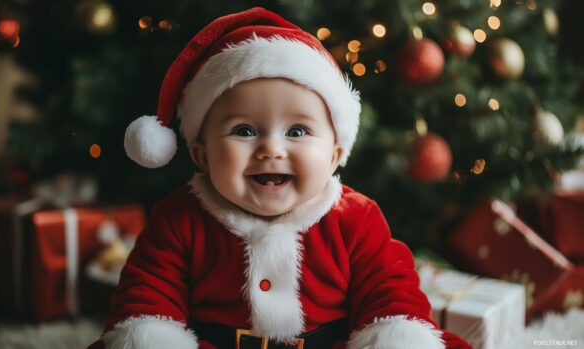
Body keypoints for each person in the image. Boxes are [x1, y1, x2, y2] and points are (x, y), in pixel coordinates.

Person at [89, 7, 472, 349]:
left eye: (298, 132)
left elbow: (390, 292)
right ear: (201, 154)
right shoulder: (178, 219)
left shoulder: (355, 218)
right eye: (243, 130)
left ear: (336, 153)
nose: (271, 149)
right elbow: (147, 294)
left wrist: (394, 337)